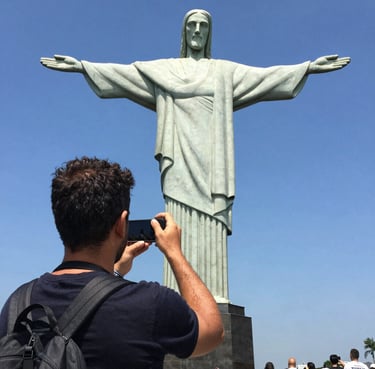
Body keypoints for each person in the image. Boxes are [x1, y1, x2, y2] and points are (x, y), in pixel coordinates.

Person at [40, 9, 351, 302]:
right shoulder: (166, 70)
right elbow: (126, 75)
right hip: (178, 156)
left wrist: (307, 67)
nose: (198, 31)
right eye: (192, 26)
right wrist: (83, 66)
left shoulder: (223, 72)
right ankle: (177, 292)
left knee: (212, 220)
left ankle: (214, 294)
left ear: (209, 34)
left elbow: (266, 77)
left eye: (204, 26)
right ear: (184, 33)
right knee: (178, 216)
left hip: (213, 161)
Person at [0, 157, 224, 369]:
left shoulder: (18, 305)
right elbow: (212, 331)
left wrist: (113, 274)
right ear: (121, 224)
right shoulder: (151, 303)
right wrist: (175, 253)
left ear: (60, 219)